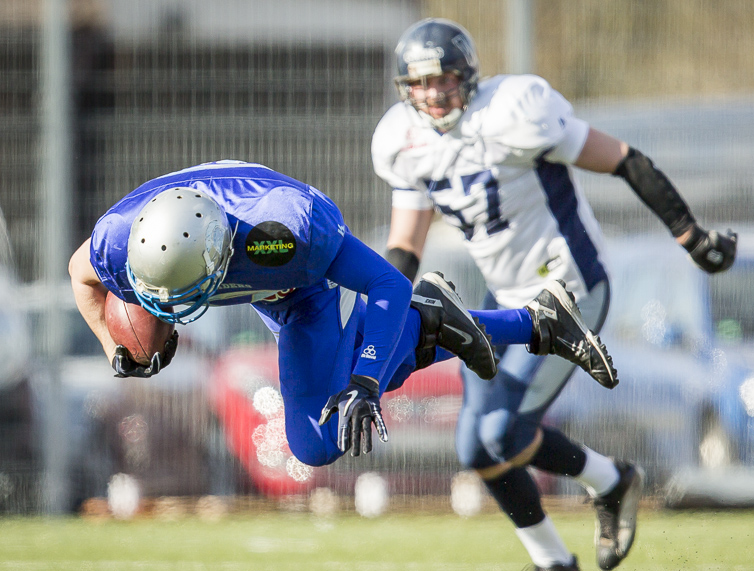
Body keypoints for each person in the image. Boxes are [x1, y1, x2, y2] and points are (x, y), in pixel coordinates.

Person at [372, 18, 738, 571]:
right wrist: (376, 316)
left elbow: (623, 159)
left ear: (468, 76)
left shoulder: (516, 111)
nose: (434, 93)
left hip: (569, 290)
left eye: (444, 79)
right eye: (420, 84)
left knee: (502, 431)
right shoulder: (403, 142)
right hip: (504, 296)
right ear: (404, 90)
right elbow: (405, 246)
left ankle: (611, 480)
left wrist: (689, 234)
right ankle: (555, 566)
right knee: (474, 447)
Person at [67, 160, 620, 467]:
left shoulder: (283, 236)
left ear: (220, 258)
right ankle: (533, 321)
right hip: (257, 283)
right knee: (315, 446)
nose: (170, 310)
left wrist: (366, 380)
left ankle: (425, 317)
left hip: (295, 289)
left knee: (371, 363)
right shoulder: (120, 243)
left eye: (189, 292)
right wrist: (113, 347)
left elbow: (384, 281)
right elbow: (80, 275)